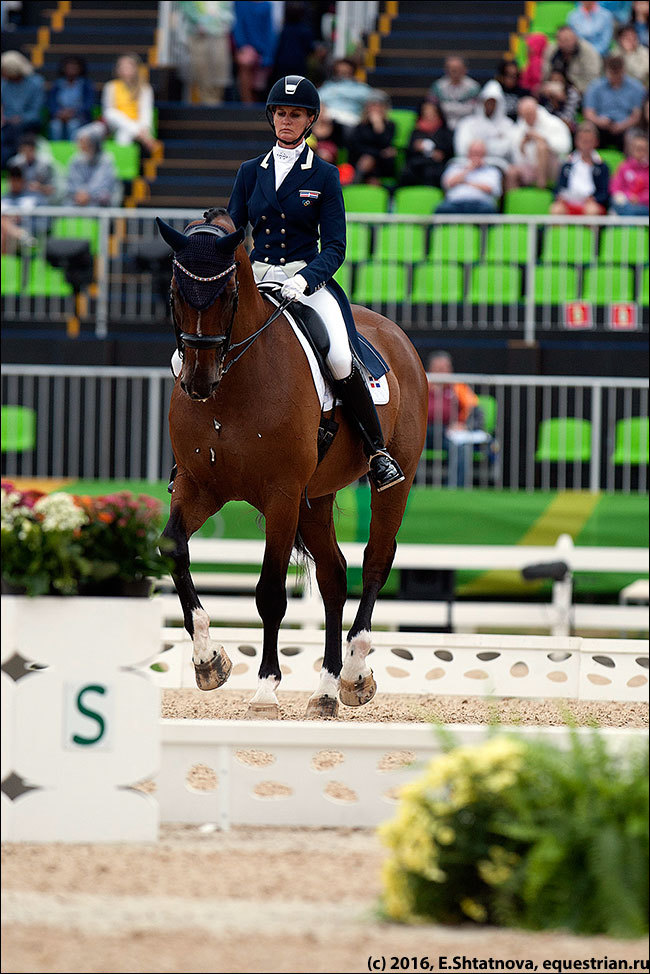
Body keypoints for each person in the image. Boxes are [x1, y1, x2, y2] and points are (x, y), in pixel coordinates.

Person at [226, 75, 404, 492]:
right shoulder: (251, 172)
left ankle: (376, 451)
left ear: (310, 121)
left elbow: (336, 246)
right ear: (271, 118)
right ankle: (190, 456)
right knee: (194, 353)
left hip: (306, 279)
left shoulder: (322, 175)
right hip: (258, 277)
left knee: (340, 356)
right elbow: (234, 230)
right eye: (281, 113)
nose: (287, 121)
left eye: (296, 114)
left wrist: (306, 280)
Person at [426, 351, 484, 488]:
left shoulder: (459, 387)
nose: (443, 373)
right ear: (430, 370)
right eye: (438, 369)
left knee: (461, 447)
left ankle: (454, 489)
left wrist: (465, 426)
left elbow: (476, 412)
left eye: (446, 368)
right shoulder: (421, 385)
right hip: (422, 431)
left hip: (449, 431)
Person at [506, 96, 572, 190]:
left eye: (530, 114)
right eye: (524, 115)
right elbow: (515, 155)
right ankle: (513, 202)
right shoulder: (519, 127)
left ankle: (541, 186)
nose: (527, 118)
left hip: (553, 168)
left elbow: (565, 147)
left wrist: (541, 139)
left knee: (541, 147)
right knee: (511, 172)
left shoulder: (553, 123)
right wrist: (522, 147)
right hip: (529, 167)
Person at [583, 53, 646, 148]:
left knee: (633, 135)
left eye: (618, 73)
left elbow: (637, 116)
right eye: (612, 73)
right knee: (587, 129)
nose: (615, 77)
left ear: (623, 71)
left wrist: (622, 125)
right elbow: (588, 113)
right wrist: (599, 121)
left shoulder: (636, 88)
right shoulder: (595, 87)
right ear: (606, 71)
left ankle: (632, 162)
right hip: (601, 125)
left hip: (625, 126)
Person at [179, 0, 234, 105]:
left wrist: (216, 23)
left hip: (220, 34)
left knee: (220, 72)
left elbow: (228, 13)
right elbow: (187, 8)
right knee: (202, 73)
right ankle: (207, 105)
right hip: (198, 36)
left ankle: (215, 104)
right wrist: (203, 23)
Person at [101, 53, 158, 153]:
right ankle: (144, 137)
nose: (125, 69)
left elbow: (146, 111)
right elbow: (107, 112)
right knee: (110, 113)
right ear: (117, 69)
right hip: (115, 123)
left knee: (123, 135)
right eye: (122, 66)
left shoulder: (145, 88)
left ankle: (123, 166)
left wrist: (144, 128)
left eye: (128, 66)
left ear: (136, 68)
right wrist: (138, 130)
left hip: (138, 125)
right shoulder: (110, 86)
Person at [550, 120, 610, 213]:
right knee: (556, 209)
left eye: (589, 141)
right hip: (569, 201)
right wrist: (560, 196)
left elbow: (604, 193)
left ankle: (592, 227)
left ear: (596, 142)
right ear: (577, 141)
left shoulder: (602, 166)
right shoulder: (567, 163)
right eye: (583, 141)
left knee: (592, 210)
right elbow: (558, 187)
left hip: (590, 203)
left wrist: (594, 199)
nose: (586, 145)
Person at [454, 80, 514, 171]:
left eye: (493, 102)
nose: (490, 106)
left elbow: (506, 150)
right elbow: (461, 149)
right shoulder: (467, 123)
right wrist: (493, 144)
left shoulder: (508, 124)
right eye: (488, 102)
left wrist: (478, 148)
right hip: (466, 164)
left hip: (497, 165)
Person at [1, 50, 45, 169]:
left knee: (16, 132)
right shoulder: (3, 84)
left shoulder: (36, 82)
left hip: (29, 122)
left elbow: (36, 111)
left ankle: (12, 164)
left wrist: (21, 118)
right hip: (8, 124)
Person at [437, 139, 502, 214]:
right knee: (441, 209)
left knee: (488, 210)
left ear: (485, 154)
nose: (476, 156)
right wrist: (468, 169)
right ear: (468, 153)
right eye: (474, 153)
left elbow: (492, 189)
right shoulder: (455, 166)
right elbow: (448, 184)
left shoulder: (492, 170)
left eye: (479, 153)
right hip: (455, 203)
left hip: (481, 204)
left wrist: (466, 182)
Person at [399, 98, 453, 188]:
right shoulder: (416, 131)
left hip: (437, 164)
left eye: (432, 111)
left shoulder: (445, 131)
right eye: (426, 111)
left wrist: (440, 153)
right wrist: (416, 147)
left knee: (433, 172)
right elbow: (408, 151)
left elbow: (449, 150)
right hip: (417, 162)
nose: (429, 114)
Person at [64, 124, 121, 207]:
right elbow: (72, 180)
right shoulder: (75, 160)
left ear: (94, 144)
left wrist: (88, 194)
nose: (81, 146)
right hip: (77, 199)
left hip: (99, 201)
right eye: (80, 142)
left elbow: (102, 183)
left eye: (85, 143)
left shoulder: (106, 160)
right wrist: (80, 193)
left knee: (103, 198)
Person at [232, 0, 277, 103]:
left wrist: (267, 55)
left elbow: (269, 31)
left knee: (259, 86)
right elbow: (238, 26)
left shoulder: (267, 5)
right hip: (246, 48)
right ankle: (247, 106)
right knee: (245, 64)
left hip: (263, 51)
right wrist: (243, 46)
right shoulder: (240, 3)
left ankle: (257, 109)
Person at [348, 92, 396, 184]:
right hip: (362, 158)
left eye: (378, 106)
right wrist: (378, 153)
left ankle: (355, 183)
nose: (375, 109)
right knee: (368, 161)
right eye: (372, 106)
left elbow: (386, 144)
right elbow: (357, 147)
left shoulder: (391, 125)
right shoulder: (360, 126)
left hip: (382, 161)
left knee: (370, 160)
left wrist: (378, 126)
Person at [46, 55, 95, 140]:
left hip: (79, 116)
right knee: (55, 126)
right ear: (64, 69)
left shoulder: (85, 85)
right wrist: (59, 113)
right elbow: (51, 103)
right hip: (59, 116)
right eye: (69, 67)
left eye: (74, 67)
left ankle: (73, 150)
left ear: (80, 69)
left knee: (73, 125)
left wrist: (74, 113)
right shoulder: (57, 84)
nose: (71, 70)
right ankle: (56, 151)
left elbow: (88, 104)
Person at [543, 25, 602, 94]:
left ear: (576, 38)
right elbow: (545, 73)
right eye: (562, 40)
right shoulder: (552, 50)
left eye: (568, 40)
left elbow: (593, 79)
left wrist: (570, 89)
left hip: (581, 90)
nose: (566, 44)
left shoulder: (588, 52)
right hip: (555, 87)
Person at [317, 58, 375, 129]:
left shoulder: (361, 87)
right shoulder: (328, 86)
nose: (342, 73)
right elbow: (318, 99)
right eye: (340, 71)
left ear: (352, 71)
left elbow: (372, 99)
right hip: (330, 117)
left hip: (352, 118)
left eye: (346, 71)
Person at [269, 0, 316, 88]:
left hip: (283, 63)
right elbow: (310, 48)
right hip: (297, 63)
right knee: (297, 85)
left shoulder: (283, 30)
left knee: (283, 84)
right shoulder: (304, 30)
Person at [428, 57, 480, 131]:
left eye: (457, 68)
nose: (454, 71)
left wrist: (447, 107)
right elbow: (431, 107)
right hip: (442, 125)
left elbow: (473, 109)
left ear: (465, 69)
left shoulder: (474, 87)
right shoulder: (438, 86)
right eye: (451, 68)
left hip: (468, 125)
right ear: (446, 70)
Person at [7, 134, 58, 200]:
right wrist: (20, 185)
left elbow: (55, 190)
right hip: (19, 198)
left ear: (35, 149)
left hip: (41, 198)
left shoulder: (47, 164)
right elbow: (10, 188)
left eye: (30, 150)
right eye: (24, 150)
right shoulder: (14, 164)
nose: (27, 153)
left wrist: (40, 187)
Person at [610, 128, 649, 213]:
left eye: (643, 149)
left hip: (645, 205)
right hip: (626, 204)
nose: (640, 152)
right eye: (637, 148)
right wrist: (629, 196)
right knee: (619, 203)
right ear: (631, 149)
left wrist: (639, 198)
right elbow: (615, 188)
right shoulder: (624, 167)